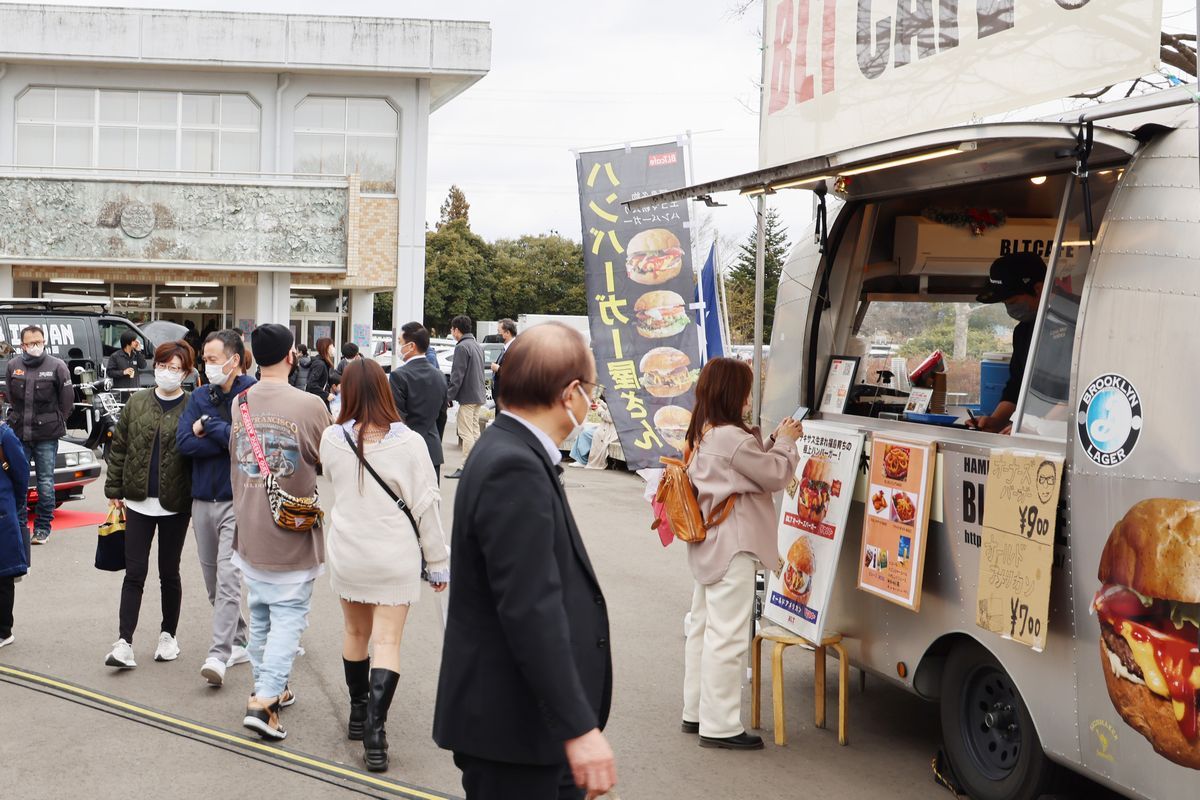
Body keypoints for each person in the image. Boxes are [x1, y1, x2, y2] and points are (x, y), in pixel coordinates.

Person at [433, 322, 616, 800]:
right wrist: (579, 727)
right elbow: (530, 606)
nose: (592, 403)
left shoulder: (511, 450)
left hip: (524, 725)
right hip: (513, 728)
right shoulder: (512, 464)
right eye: (591, 389)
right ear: (570, 392)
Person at [321, 359, 450, 772]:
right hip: (393, 555)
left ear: (348, 393)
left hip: (348, 551)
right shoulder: (409, 443)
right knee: (387, 643)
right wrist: (438, 562)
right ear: (386, 390)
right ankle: (376, 734)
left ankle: (358, 713)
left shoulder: (331, 437)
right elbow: (426, 506)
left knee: (355, 631)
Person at [680, 357, 802, 750]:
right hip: (733, 544)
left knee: (703, 630)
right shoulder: (730, 438)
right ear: (733, 393)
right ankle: (719, 726)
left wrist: (769, 443)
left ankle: (696, 712)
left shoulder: (707, 431)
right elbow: (775, 475)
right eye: (747, 389)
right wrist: (785, 442)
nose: (750, 398)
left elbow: (744, 470)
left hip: (710, 543)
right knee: (728, 637)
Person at [232, 324, 330, 740]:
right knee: (288, 615)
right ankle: (265, 699)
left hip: (249, 525)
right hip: (291, 528)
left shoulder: (239, 402)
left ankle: (271, 685)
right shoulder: (310, 405)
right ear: (292, 356)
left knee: (259, 612)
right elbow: (329, 459)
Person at [103, 340, 196, 669]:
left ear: (186, 372)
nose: (167, 373)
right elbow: (121, 448)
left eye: (175, 368)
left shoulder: (192, 406)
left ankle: (168, 635)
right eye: (162, 365)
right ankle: (124, 642)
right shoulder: (137, 402)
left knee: (169, 572)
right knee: (135, 573)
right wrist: (114, 487)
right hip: (138, 501)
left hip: (175, 503)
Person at [177, 330, 256, 687]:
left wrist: (209, 427)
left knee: (228, 579)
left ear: (234, 360)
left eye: (211, 359)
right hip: (201, 501)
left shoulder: (251, 394)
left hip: (236, 501)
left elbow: (248, 445)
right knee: (213, 584)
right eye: (204, 359)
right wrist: (221, 436)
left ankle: (218, 654)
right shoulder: (198, 395)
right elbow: (183, 443)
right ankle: (240, 639)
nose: (206, 366)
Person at [964, 253, 1047, 434]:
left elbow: (1072, 393)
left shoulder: (1076, 324)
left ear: (1039, 290)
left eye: (1012, 301)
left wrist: (1033, 426)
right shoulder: (1023, 331)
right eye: (1005, 303)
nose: (1009, 308)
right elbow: (1017, 384)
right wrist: (996, 421)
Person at [6, 325, 73, 546]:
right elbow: (12, 399)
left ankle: (43, 528)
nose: (35, 346)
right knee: (18, 481)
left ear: (44, 342)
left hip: (47, 435)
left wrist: (54, 421)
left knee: (45, 482)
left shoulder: (57, 366)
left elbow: (66, 402)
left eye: (38, 342)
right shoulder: (13, 365)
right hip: (19, 433)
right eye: (30, 343)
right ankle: (20, 525)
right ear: (22, 345)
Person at [389, 322, 448, 483]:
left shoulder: (398, 376)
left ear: (411, 346)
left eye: (400, 342)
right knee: (431, 501)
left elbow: (396, 418)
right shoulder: (439, 375)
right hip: (432, 448)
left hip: (407, 451)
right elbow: (442, 416)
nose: (399, 347)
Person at [445, 315, 486, 479]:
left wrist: (448, 396)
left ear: (456, 330)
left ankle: (466, 467)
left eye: (452, 328)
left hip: (468, 397)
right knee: (475, 432)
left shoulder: (462, 347)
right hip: (478, 395)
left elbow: (457, 375)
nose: (451, 331)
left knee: (466, 433)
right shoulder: (477, 345)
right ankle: (477, 465)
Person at [0, 421, 29, 650]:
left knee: (3, 574)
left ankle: (4, 631)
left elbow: (21, 473)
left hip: (2, 512)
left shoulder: (4, 435)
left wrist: (12, 505)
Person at [567, 397, 617, 470]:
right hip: (606, 427)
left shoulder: (622, 401)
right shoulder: (619, 399)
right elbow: (611, 410)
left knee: (585, 433)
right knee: (583, 428)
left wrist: (599, 409)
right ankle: (580, 458)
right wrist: (602, 404)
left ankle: (582, 460)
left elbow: (610, 417)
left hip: (611, 431)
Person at [490, 319, 517, 411]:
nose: (497, 335)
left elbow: (513, 373)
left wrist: (498, 369)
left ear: (507, 333)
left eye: (499, 332)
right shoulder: (506, 347)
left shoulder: (515, 348)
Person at [307, 336, 336, 410]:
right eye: (332, 346)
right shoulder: (320, 364)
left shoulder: (324, 363)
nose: (333, 348)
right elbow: (311, 385)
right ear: (326, 347)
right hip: (317, 403)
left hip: (320, 402)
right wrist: (326, 395)